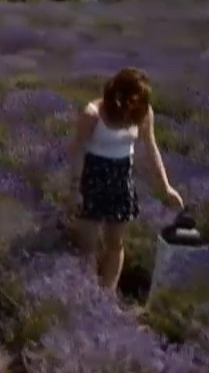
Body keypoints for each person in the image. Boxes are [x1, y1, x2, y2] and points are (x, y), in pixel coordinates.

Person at [69, 67, 183, 291]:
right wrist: (74, 188)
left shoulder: (143, 113)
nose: (136, 104)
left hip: (121, 180)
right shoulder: (93, 113)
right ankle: (86, 294)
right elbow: (77, 149)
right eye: (133, 98)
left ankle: (107, 296)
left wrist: (166, 187)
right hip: (92, 178)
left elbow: (151, 148)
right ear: (119, 94)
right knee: (87, 245)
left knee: (115, 243)